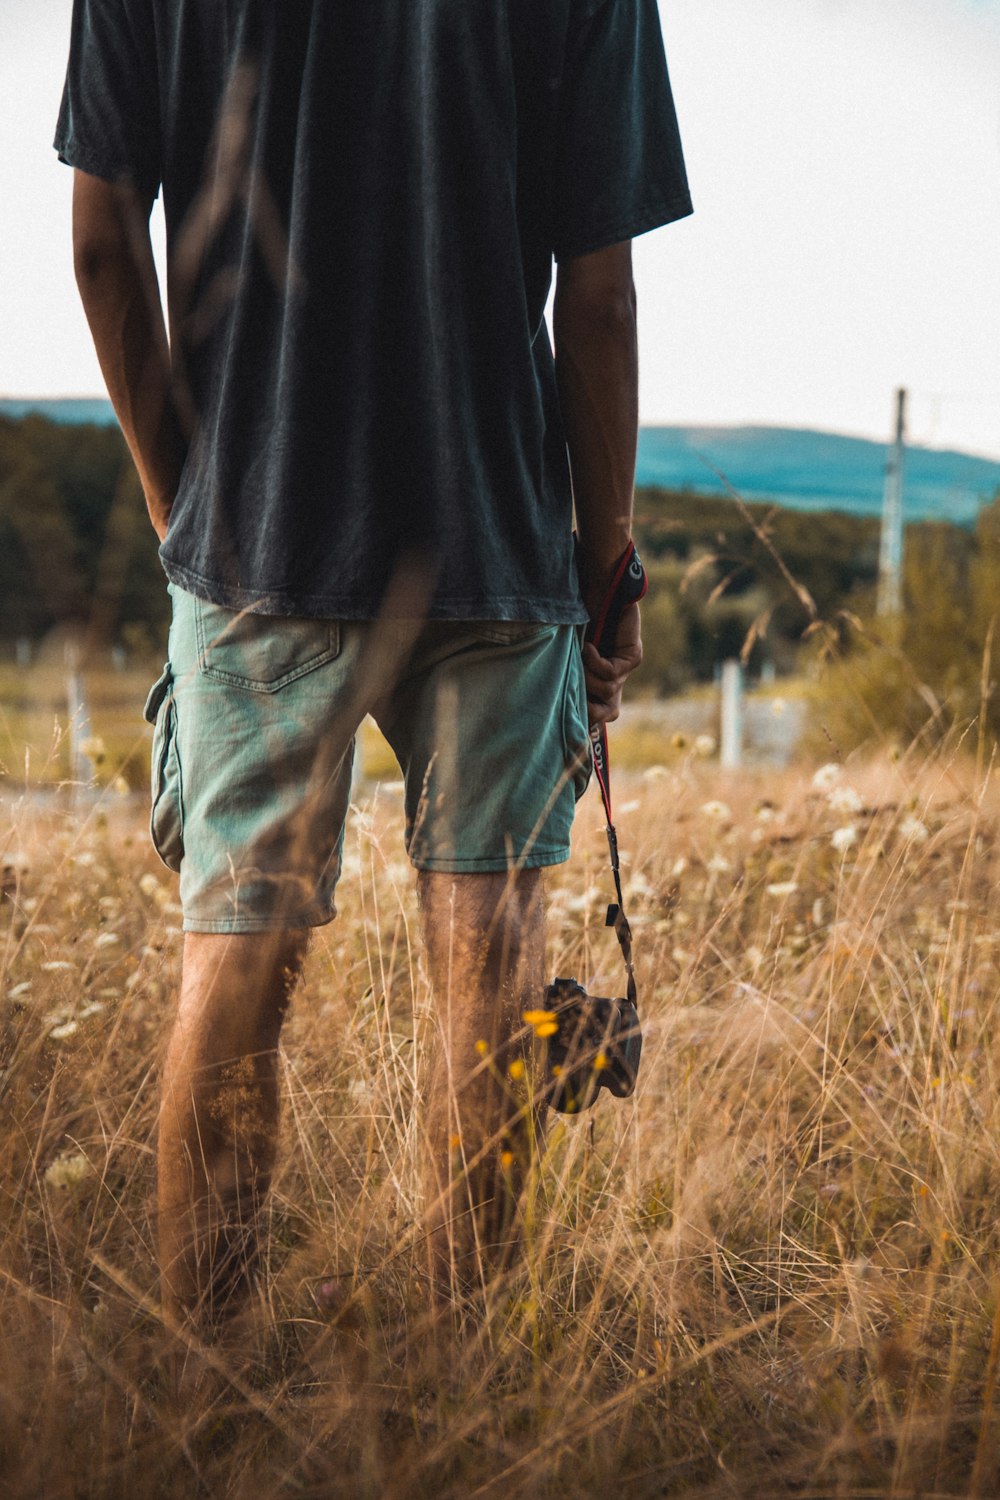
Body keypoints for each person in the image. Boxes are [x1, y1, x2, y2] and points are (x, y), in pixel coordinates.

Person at [55, 0, 692, 1327]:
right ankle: (463, 1379)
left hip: (256, 545)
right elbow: (603, 293)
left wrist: (193, 514)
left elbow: (103, 246)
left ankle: (201, 1397)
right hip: (496, 546)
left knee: (234, 967)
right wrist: (608, 557)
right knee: (494, 979)